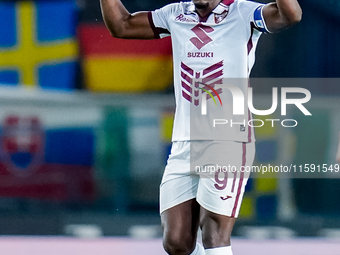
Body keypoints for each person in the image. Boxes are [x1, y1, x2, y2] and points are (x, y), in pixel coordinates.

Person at [100, 0, 302, 254]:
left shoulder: (243, 13)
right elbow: (122, 25)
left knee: (214, 233)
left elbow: (291, 15)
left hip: (227, 139)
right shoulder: (175, 14)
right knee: (176, 241)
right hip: (184, 141)